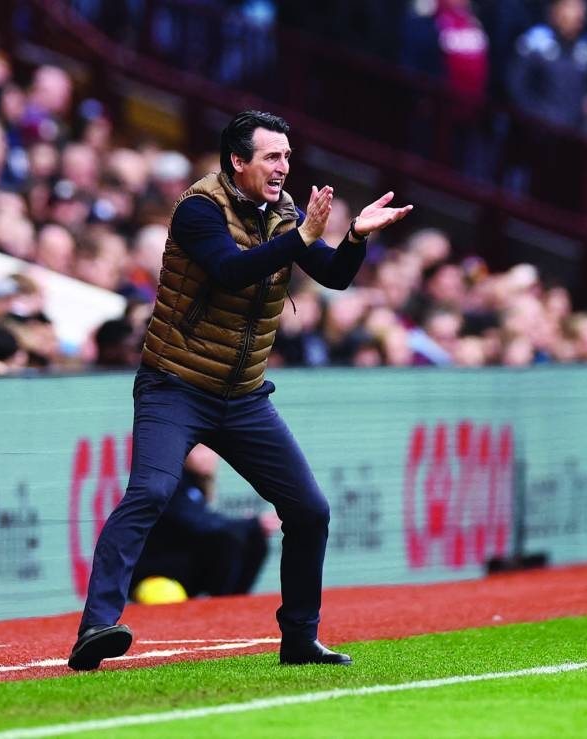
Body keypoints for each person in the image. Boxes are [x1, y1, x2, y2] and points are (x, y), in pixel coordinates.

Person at [67, 110, 412, 671]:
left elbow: (334, 275)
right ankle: (95, 627)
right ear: (237, 161)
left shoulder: (284, 213)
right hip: (175, 384)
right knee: (151, 492)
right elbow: (230, 270)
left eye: (287, 157)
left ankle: (299, 639)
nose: (283, 167)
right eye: (272, 156)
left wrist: (353, 237)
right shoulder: (198, 208)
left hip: (244, 394)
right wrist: (301, 236)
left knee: (310, 510)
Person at [130, 444, 278, 602]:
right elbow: (202, 523)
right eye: (199, 449)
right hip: (155, 573)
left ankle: (235, 603)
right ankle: (220, 605)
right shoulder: (170, 482)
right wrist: (252, 523)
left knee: (254, 539)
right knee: (227, 541)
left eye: (211, 450)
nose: (206, 456)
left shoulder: (198, 484)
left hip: (184, 566)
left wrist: (252, 527)